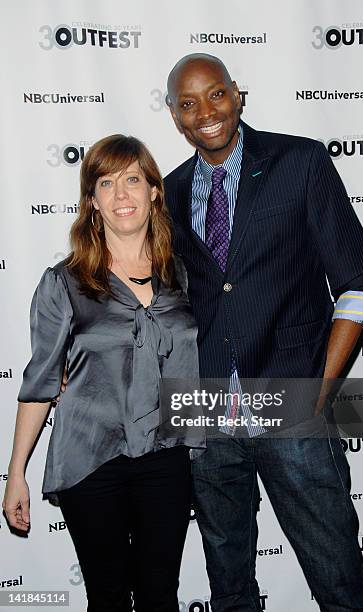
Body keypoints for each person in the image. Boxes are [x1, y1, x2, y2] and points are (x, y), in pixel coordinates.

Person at [164, 54, 363, 612]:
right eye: (188, 104)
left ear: (238, 93)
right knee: (229, 588)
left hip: (290, 407)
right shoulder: (169, 192)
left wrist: (318, 394)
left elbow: (358, 288)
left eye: (215, 95)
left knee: (338, 581)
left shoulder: (300, 161)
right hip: (209, 415)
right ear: (174, 116)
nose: (205, 112)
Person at [2, 134, 204, 612]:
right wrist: (15, 473)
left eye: (133, 179)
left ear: (154, 190)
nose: (121, 195)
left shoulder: (186, 274)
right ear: (92, 201)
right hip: (91, 460)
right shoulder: (64, 283)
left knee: (160, 597)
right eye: (106, 183)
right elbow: (40, 382)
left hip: (166, 456)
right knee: (108, 598)